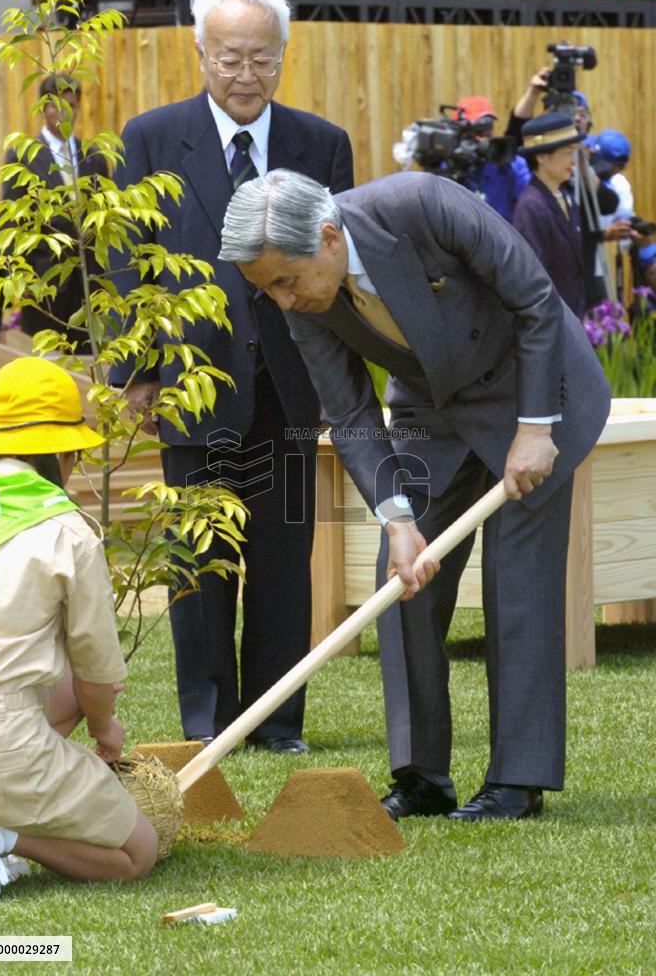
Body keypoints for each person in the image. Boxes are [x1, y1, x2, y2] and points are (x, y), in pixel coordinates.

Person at [219, 168, 611, 822]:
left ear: (327, 238)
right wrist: (396, 516)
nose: (282, 301)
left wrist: (536, 428)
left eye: (285, 280)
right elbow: (348, 410)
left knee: (516, 578)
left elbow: (537, 300)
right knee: (400, 577)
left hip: (536, 392)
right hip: (432, 407)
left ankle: (518, 780)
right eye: (267, 290)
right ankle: (422, 775)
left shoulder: (422, 205)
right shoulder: (304, 299)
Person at [109, 0, 354, 752]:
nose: (245, 75)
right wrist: (140, 370)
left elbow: (337, 269)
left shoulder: (322, 144)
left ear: (282, 56)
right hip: (193, 383)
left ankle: (277, 721)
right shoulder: (150, 138)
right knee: (199, 568)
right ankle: (210, 722)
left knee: (284, 568)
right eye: (229, 58)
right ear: (200, 53)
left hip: (290, 385)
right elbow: (127, 262)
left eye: (261, 58)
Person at [0, 357, 157, 898]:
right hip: (0, 738)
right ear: (62, 450)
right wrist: (105, 729)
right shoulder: (68, 533)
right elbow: (95, 676)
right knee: (135, 854)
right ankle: (2, 832)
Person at [3, 74, 108, 345]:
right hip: (43, 282)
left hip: (88, 283)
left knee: (89, 360)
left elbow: (103, 218)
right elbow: (12, 222)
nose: (64, 113)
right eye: (57, 106)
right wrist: (19, 276)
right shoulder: (23, 157)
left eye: (71, 106)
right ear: (43, 108)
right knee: (45, 363)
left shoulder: (93, 156)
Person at [512, 112, 586, 318]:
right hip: (554, 320)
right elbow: (534, 278)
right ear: (542, 156)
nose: (573, 160)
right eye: (567, 152)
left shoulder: (566, 196)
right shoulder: (531, 206)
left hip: (574, 316)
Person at [452, 95, 530, 222]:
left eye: (488, 129)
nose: (484, 138)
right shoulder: (448, 164)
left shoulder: (507, 161)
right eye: (478, 130)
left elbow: (530, 200)